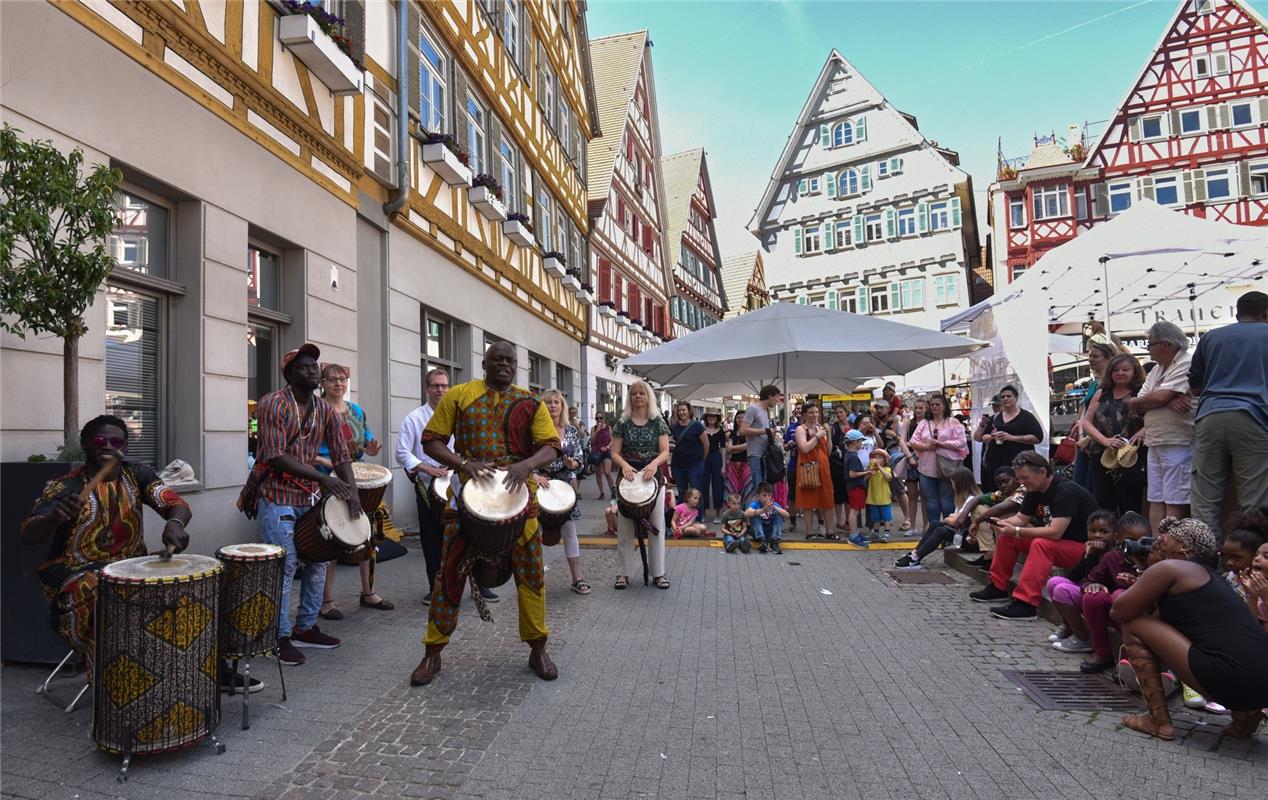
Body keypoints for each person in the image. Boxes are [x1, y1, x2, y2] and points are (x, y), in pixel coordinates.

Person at [409, 342, 562, 687]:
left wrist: (525, 465)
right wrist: (464, 463)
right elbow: (431, 440)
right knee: (447, 577)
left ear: (517, 365)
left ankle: (538, 647)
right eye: (498, 359)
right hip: (467, 502)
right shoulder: (459, 396)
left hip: (522, 504)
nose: (504, 365)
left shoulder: (530, 402)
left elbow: (551, 446)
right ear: (484, 363)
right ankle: (432, 652)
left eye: (510, 360)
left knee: (532, 578)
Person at [20, 415, 194, 684]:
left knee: (185, 588)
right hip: (73, 576)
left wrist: (174, 523)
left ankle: (195, 667)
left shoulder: (137, 475)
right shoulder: (66, 486)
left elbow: (175, 503)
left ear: (124, 447)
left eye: (117, 442)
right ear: (85, 445)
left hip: (130, 569)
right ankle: (117, 681)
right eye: (100, 440)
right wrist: (54, 518)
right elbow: (29, 534)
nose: (108, 447)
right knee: (101, 588)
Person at [1110, 517, 1268, 741]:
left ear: (1183, 546)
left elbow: (1119, 611)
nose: (1158, 539)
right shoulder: (1208, 578)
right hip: (1262, 685)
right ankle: (1245, 716)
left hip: (1229, 676)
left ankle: (1158, 720)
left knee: (1134, 625)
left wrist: (1150, 571)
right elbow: (1157, 625)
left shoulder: (1170, 568)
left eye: (1168, 535)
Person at [252, 343, 359, 666]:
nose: (313, 370)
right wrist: (323, 478)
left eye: (315, 365)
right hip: (276, 496)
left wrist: (353, 495)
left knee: (319, 560)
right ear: (289, 373)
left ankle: (306, 627)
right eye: (305, 366)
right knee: (285, 567)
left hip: (309, 497)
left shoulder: (324, 409)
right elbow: (273, 454)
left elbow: (341, 456)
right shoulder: (273, 403)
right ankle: (279, 636)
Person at [970, 452, 1098, 621]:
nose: (1021, 482)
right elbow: (1021, 519)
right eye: (1019, 478)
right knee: (1010, 537)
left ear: (1042, 472)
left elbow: (1055, 531)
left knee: (1041, 544)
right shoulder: (1034, 489)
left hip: (1086, 550)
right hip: (1063, 543)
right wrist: (1003, 523)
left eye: (1025, 477)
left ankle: (1026, 603)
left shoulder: (1065, 491)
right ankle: (997, 586)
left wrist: (1016, 530)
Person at [1188, 290, 1268, 539]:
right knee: (1254, 498)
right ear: (1266, 313)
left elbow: (1195, 386)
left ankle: (1204, 557)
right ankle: (1252, 559)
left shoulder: (1211, 337)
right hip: (1254, 417)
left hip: (1210, 416)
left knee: (1205, 498)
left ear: (1237, 313)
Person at [314, 363, 392, 618]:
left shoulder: (356, 410)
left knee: (365, 536)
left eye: (343, 379)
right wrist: (331, 464)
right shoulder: (316, 410)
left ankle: (368, 592)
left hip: (356, 479)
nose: (339, 383)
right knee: (331, 541)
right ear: (322, 383)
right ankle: (327, 600)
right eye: (333, 379)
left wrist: (369, 449)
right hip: (328, 481)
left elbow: (365, 439)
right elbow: (307, 451)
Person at [1129, 320, 1194, 532]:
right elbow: (1135, 402)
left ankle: (1171, 546)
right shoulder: (1157, 369)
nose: (1148, 349)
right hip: (1156, 440)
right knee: (1156, 497)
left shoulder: (1186, 362)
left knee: (1175, 498)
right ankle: (1157, 545)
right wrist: (1163, 399)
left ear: (1165, 345)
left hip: (1178, 439)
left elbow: (1158, 396)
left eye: (1150, 344)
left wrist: (1161, 398)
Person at [396, 367, 453, 605]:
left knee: (462, 537)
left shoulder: (455, 415)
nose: (440, 389)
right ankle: (435, 588)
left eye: (443, 385)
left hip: (455, 484)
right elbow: (401, 453)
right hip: (428, 485)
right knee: (432, 540)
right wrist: (426, 468)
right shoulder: (415, 418)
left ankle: (476, 585)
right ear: (427, 389)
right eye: (435, 385)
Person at [610, 380, 672, 591]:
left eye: (641, 393)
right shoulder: (622, 422)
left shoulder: (658, 421)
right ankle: (623, 573)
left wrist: (654, 464)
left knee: (657, 527)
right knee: (625, 528)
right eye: (634, 393)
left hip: (653, 477)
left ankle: (659, 573)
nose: (637, 396)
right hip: (628, 479)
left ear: (648, 397)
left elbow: (664, 451)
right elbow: (614, 452)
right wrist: (625, 465)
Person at [1042, 509, 1119, 655]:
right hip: (1085, 590)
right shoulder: (1091, 549)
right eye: (1092, 531)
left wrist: (1092, 557)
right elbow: (1074, 577)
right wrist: (1086, 556)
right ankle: (1068, 626)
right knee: (1054, 582)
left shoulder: (1113, 555)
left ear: (1114, 534)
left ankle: (1082, 638)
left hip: (1099, 597)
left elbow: (1093, 580)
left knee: (1062, 591)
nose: (1097, 535)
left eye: (1104, 532)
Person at [538, 389, 590, 595]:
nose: (552, 406)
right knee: (536, 532)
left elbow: (580, 458)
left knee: (570, 531)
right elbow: (524, 456)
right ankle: (536, 578)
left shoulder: (570, 430)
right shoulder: (535, 429)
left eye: (556, 402)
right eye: (548, 402)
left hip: (564, 485)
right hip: (541, 483)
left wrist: (573, 464)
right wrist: (534, 475)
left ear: (562, 406)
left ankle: (577, 578)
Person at [1082, 354, 1147, 516]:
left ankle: (1130, 537)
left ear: (1134, 371)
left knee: (1131, 501)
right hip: (1103, 453)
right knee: (1103, 500)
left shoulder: (1142, 392)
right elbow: (1086, 422)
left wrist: (1143, 430)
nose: (1120, 373)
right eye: (1116, 370)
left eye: (1125, 369)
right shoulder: (1101, 393)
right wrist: (1105, 440)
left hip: (1131, 455)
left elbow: (1155, 418)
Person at [893, 467, 981, 569]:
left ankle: (915, 558)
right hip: (962, 535)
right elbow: (954, 518)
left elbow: (954, 521)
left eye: (953, 483)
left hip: (971, 542)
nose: (952, 486)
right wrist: (951, 519)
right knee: (935, 524)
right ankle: (915, 553)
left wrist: (950, 519)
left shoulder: (971, 499)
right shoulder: (963, 498)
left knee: (941, 531)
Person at [908, 393, 968, 533]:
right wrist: (927, 447)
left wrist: (941, 444)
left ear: (944, 406)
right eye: (932, 404)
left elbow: (962, 442)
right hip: (926, 468)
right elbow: (913, 441)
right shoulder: (924, 423)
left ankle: (948, 531)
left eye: (937, 404)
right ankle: (933, 530)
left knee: (947, 501)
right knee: (930, 502)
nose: (934, 407)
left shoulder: (953, 422)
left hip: (948, 468)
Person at [1073, 334, 1120, 491]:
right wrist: (1082, 436)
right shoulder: (1094, 384)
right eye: (1090, 356)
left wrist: (1089, 439)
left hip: (1099, 440)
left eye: (1095, 356)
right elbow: (1085, 412)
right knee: (1082, 485)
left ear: (1108, 358)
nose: (1091, 359)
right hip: (1087, 440)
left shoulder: (1112, 384)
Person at [982, 385, 1044, 483]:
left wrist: (1012, 438)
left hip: (1019, 464)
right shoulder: (996, 417)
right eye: (1003, 397)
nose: (1005, 398)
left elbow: (1038, 437)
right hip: (996, 463)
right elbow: (984, 437)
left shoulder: (1026, 417)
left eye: (1008, 396)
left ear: (1015, 398)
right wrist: (992, 437)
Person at [793, 402, 834, 539]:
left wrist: (827, 436)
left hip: (824, 468)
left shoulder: (820, 428)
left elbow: (828, 451)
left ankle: (830, 532)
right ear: (804, 414)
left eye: (816, 412)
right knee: (808, 501)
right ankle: (809, 532)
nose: (814, 415)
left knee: (827, 499)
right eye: (811, 412)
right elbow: (804, 448)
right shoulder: (801, 429)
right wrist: (817, 436)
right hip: (808, 468)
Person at [739, 385, 784, 498]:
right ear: (769, 395)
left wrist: (770, 435)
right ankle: (756, 513)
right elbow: (743, 430)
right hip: (755, 454)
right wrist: (765, 431)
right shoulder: (753, 409)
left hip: (766, 454)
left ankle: (765, 513)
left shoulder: (766, 411)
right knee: (758, 487)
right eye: (777, 396)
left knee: (766, 487)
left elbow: (761, 431)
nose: (778, 400)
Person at [669, 401, 708, 501]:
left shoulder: (697, 426)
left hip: (694, 466)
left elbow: (706, 444)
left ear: (689, 411)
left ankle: (699, 516)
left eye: (684, 410)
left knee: (696, 493)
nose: (681, 412)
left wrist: (701, 461)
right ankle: (684, 516)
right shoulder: (676, 426)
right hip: (679, 465)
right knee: (682, 492)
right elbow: (674, 442)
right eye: (679, 410)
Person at [900, 397, 928, 532]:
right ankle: (912, 526)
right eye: (916, 408)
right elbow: (902, 440)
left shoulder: (929, 423)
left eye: (920, 408)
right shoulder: (908, 423)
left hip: (926, 460)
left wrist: (913, 446)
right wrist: (909, 456)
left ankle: (925, 526)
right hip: (911, 460)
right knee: (912, 495)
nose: (918, 410)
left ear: (925, 409)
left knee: (925, 495)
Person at [842, 430, 870, 548]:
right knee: (854, 510)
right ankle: (853, 535)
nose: (861, 444)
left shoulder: (849, 454)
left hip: (854, 486)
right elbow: (852, 474)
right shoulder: (853, 457)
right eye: (860, 441)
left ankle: (855, 533)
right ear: (854, 442)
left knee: (855, 510)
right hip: (856, 486)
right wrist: (867, 472)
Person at [700, 408, 727, 524]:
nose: (711, 418)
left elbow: (723, 449)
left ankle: (718, 513)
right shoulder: (701, 430)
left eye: (714, 416)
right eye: (709, 416)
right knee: (703, 484)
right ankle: (704, 512)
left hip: (716, 458)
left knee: (718, 485)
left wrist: (723, 465)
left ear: (717, 418)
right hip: (704, 458)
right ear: (706, 417)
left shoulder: (720, 431)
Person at [745, 482, 789, 554]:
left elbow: (787, 515)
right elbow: (746, 513)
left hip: (769, 532)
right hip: (757, 533)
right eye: (764, 495)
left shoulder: (773, 504)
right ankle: (762, 542)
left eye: (769, 495)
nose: (767, 498)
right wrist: (762, 510)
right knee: (754, 516)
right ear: (758, 496)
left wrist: (775, 508)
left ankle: (774, 542)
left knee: (779, 514)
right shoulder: (756, 503)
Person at [972, 395, 1002, 490]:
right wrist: (982, 424)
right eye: (994, 405)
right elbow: (977, 438)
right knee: (988, 486)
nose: (995, 408)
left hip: (1000, 458)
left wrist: (991, 437)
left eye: (997, 405)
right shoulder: (991, 419)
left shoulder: (1006, 420)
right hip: (988, 459)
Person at [864, 450, 894, 541]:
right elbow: (865, 479)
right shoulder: (872, 470)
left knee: (886, 516)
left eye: (880, 458)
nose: (877, 460)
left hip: (884, 498)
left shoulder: (886, 469)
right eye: (875, 457)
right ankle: (875, 532)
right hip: (873, 498)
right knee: (875, 517)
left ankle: (887, 532)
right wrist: (869, 469)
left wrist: (879, 467)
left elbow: (888, 477)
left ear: (885, 460)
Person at [725, 410, 750, 502]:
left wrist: (733, 448)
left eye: (743, 417)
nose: (740, 419)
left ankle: (744, 511)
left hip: (746, 463)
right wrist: (739, 448)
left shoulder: (749, 432)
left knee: (746, 487)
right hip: (733, 463)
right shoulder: (733, 433)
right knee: (732, 488)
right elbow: (728, 449)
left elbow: (748, 446)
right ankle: (732, 511)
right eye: (738, 417)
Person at [589, 411, 615, 501]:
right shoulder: (593, 428)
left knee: (607, 472)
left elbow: (612, 440)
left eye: (601, 418)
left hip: (606, 451)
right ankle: (602, 493)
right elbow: (591, 441)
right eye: (597, 418)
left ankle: (613, 491)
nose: (599, 420)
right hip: (596, 452)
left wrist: (607, 447)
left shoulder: (608, 428)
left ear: (604, 418)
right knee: (598, 473)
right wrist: (597, 431)